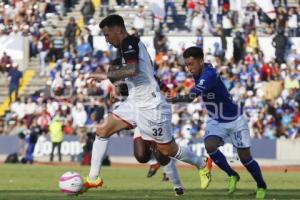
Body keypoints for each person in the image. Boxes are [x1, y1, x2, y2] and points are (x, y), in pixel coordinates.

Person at [81, 15, 211, 193]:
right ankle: (94, 178)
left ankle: (201, 163)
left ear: (118, 29)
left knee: (167, 150)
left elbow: (133, 70)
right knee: (102, 130)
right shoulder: (127, 47)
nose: (107, 40)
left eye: (107, 34)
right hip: (135, 102)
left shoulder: (129, 43)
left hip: (151, 105)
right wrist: (118, 86)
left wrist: (106, 76)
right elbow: (140, 74)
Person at [167, 46, 267, 199]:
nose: (189, 68)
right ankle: (232, 175)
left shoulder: (209, 75)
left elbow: (190, 97)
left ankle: (261, 186)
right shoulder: (202, 69)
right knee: (209, 145)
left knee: (245, 158)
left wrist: (168, 100)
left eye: (191, 64)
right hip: (216, 119)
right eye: (187, 65)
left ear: (201, 61)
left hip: (234, 119)